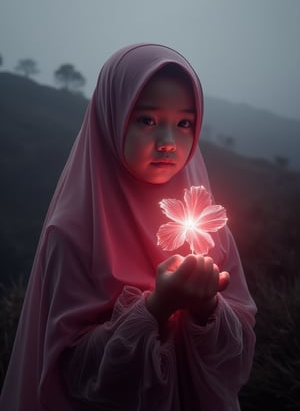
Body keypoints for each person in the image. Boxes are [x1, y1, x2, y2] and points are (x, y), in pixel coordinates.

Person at [0, 43, 256, 411]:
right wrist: (156, 308)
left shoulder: (209, 226)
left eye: (184, 123)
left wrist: (206, 310)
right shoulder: (73, 234)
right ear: (111, 119)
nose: (168, 143)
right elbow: (75, 372)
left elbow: (238, 355)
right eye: (147, 120)